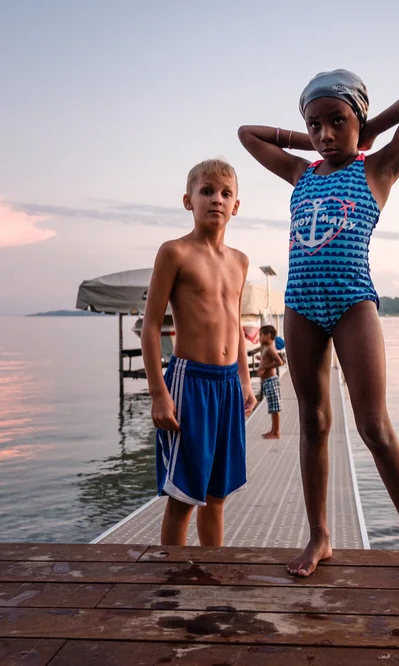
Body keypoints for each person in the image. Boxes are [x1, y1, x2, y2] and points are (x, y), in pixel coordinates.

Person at [238, 70, 399, 586]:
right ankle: (320, 534)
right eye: (316, 125)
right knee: (314, 422)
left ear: (357, 120)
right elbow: (247, 134)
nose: (326, 134)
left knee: (373, 425)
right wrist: (303, 136)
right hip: (301, 306)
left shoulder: (379, 168)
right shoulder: (300, 173)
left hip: (354, 303)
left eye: (337, 121)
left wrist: (369, 130)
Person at [142, 158, 257, 548]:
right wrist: (159, 392)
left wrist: (244, 380)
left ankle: (213, 574)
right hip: (189, 382)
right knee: (184, 496)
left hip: (227, 385)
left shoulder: (240, 262)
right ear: (188, 200)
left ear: (236, 206)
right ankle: (171, 583)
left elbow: (237, 326)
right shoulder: (175, 252)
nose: (216, 200)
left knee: (217, 496)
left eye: (226, 194)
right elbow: (152, 326)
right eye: (206, 191)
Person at [257, 324, 284, 439]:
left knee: (275, 407)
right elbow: (265, 358)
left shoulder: (270, 348)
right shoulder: (264, 347)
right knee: (272, 406)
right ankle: (273, 430)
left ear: (268, 336)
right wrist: (261, 360)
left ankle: (276, 432)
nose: (259, 338)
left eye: (261, 335)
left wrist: (264, 367)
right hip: (266, 381)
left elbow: (279, 362)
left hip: (271, 380)